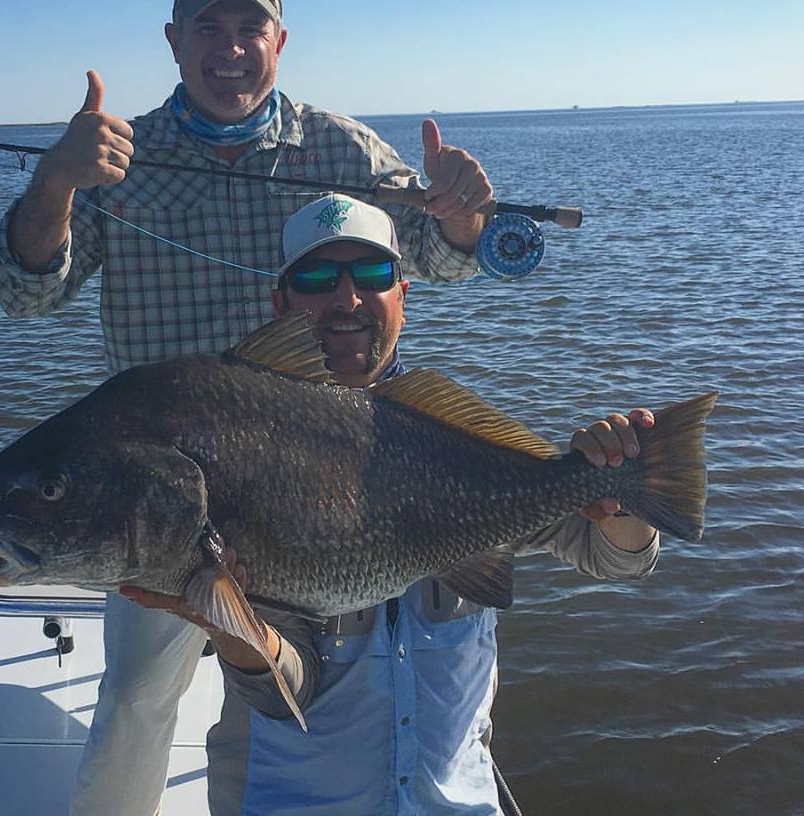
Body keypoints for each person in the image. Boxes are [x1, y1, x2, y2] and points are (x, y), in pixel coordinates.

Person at [0, 0, 497, 816]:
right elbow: (27, 291)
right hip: (158, 493)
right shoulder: (120, 156)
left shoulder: (342, 147)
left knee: (306, 697)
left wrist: (462, 220)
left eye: (248, 29)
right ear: (174, 40)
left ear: (280, 40)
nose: (230, 49)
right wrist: (57, 180)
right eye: (209, 29)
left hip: (316, 484)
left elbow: (434, 266)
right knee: (137, 700)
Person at [124, 193, 660, 816]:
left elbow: (618, 561)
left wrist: (623, 497)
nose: (346, 299)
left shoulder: (456, 435)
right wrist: (235, 630)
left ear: (403, 294)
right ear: (281, 304)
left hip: (456, 803)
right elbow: (283, 691)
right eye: (317, 280)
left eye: (372, 276)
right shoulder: (242, 449)